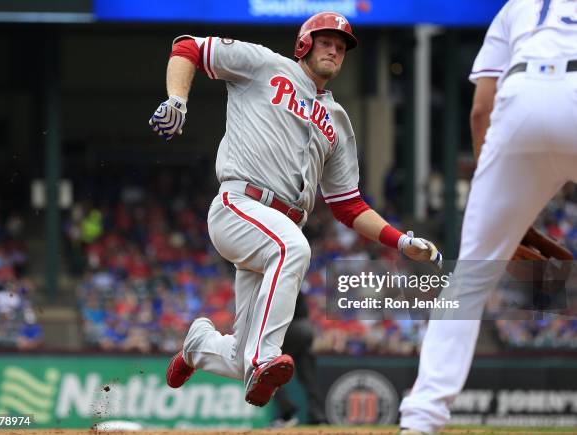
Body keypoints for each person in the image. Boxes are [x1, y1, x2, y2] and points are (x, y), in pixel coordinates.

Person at [150, 11, 442, 408]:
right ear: (305, 43)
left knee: (239, 358)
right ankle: (265, 358)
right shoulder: (266, 65)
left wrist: (400, 241)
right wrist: (176, 99)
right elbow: (187, 48)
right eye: (327, 42)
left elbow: (347, 204)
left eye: (341, 47)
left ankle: (199, 345)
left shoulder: (337, 120)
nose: (335, 51)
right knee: (293, 249)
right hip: (240, 204)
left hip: (274, 228)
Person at [399, 1, 577, 434]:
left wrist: (493, 189)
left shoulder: (515, 7)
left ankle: (421, 420)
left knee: (470, 279)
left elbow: (481, 110)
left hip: (518, 104)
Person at [271, 292, 327, 426]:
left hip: (288, 329)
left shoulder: (272, 279)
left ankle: (287, 413)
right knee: (308, 377)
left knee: (268, 367)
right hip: (306, 329)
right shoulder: (293, 276)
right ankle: (318, 416)